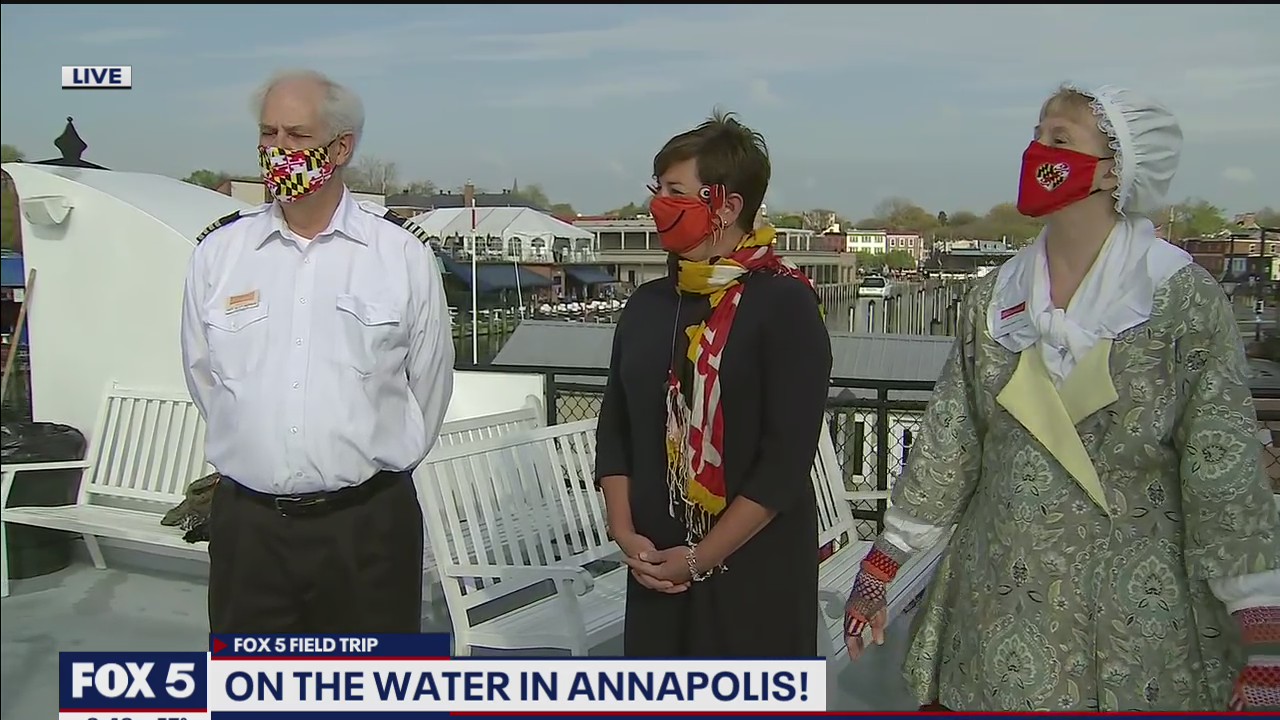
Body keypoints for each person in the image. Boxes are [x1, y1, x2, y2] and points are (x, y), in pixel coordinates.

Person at [842, 83, 1280, 712]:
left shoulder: (1182, 299)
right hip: (994, 614)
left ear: (1113, 171)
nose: (1036, 149)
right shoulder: (994, 297)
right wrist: (883, 566)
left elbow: (1223, 468)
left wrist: (1262, 635)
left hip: (1134, 625)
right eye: (1037, 133)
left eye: (1060, 139)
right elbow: (950, 442)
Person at [180, 69, 455, 634]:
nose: (277, 150)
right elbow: (204, 377)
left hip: (367, 530)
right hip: (249, 531)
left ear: (341, 147)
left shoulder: (400, 256)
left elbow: (429, 384)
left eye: (296, 136)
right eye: (267, 134)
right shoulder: (220, 255)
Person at [593, 110, 833, 657]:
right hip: (655, 567)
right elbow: (617, 429)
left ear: (725, 206)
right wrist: (626, 534)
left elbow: (784, 462)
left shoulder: (785, 304)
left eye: (676, 191)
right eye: (658, 189)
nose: (657, 205)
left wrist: (701, 558)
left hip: (754, 572)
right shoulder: (647, 305)